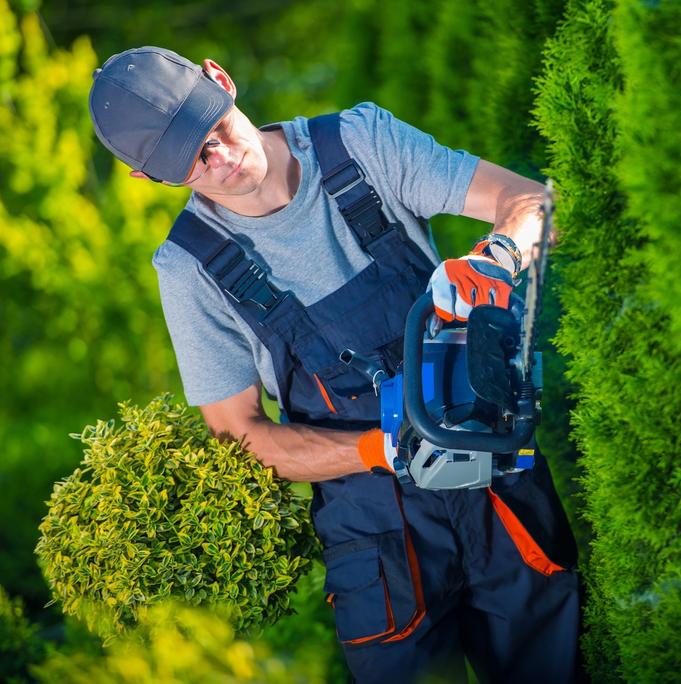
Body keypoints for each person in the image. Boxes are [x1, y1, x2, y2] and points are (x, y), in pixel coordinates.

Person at [87, 46, 581, 683]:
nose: (224, 159)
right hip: (376, 540)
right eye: (195, 163)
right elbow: (243, 439)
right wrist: (382, 449)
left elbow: (533, 202)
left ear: (221, 80)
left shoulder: (359, 143)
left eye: (216, 130)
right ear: (149, 180)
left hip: (495, 482)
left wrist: (499, 257)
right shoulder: (190, 269)